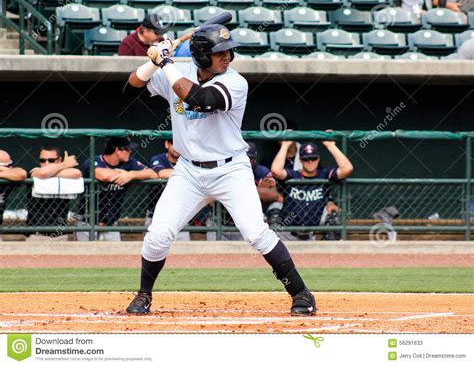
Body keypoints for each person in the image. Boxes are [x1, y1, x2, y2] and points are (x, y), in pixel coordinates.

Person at [123, 24, 317, 316]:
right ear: (201, 56)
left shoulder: (235, 82)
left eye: (228, 50)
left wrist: (165, 62)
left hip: (231, 169)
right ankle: (144, 295)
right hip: (188, 171)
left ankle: (302, 294)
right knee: (158, 234)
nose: (227, 56)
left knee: (256, 232)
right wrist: (152, 62)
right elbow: (130, 87)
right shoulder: (179, 70)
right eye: (218, 52)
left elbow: (202, 100)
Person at [271, 141, 354, 241]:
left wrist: (331, 146)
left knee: (334, 216)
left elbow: (347, 168)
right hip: (286, 234)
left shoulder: (324, 175)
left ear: (318, 159)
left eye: (313, 158)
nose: (310, 162)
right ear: (300, 160)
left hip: (310, 236)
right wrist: (285, 146)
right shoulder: (293, 175)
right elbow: (275, 171)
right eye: (306, 159)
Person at [80, 136, 156, 241]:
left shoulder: (129, 163)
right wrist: (121, 174)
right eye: (128, 149)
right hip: (87, 222)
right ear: (117, 150)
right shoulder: (94, 160)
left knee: (115, 254)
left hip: (111, 223)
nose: (130, 151)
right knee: (85, 254)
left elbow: (152, 174)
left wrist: (131, 175)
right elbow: (103, 175)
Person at [26, 145, 82, 239]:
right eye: (42, 160)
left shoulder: (66, 172)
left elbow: (77, 173)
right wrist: (65, 165)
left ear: (59, 159)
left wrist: (53, 172)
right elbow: (42, 173)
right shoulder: (35, 170)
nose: (46, 163)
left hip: (59, 233)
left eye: (51, 160)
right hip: (36, 233)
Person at [0, 150, 27, 239]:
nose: (11, 168)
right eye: (8, 166)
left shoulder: (6, 180)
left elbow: (21, 173)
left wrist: (3, 169)